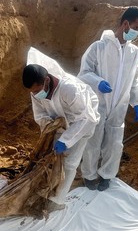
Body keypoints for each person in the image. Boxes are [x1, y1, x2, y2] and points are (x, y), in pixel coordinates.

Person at [78, 6, 138, 191]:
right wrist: (98, 81)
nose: (137, 32)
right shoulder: (99, 47)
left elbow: (134, 79)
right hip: (98, 103)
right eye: (136, 28)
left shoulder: (134, 52)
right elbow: (84, 73)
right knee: (93, 141)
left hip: (119, 105)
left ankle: (107, 174)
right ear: (125, 24)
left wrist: (137, 102)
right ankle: (89, 175)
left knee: (115, 143)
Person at [23, 47, 100, 209]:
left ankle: (58, 201)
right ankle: (50, 189)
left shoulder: (69, 89)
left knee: (70, 162)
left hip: (81, 125)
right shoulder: (36, 92)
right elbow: (40, 115)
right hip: (59, 125)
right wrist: (51, 129)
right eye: (32, 92)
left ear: (47, 81)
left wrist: (66, 140)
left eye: (37, 91)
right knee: (52, 160)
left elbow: (86, 118)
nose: (35, 95)